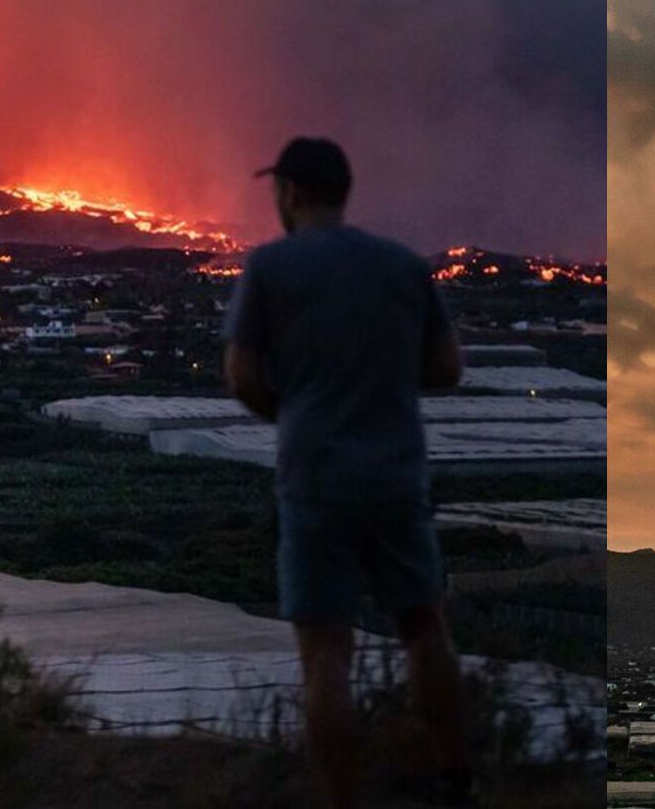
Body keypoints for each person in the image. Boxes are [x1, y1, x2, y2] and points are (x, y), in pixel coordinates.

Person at [223, 137, 474, 808]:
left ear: (293, 192)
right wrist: (384, 380)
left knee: (326, 651)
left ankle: (341, 799)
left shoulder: (271, 267)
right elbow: (448, 368)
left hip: (314, 478)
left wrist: (294, 410)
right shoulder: (401, 266)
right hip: (396, 475)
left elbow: (242, 375)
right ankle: (456, 781)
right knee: (425, 627)